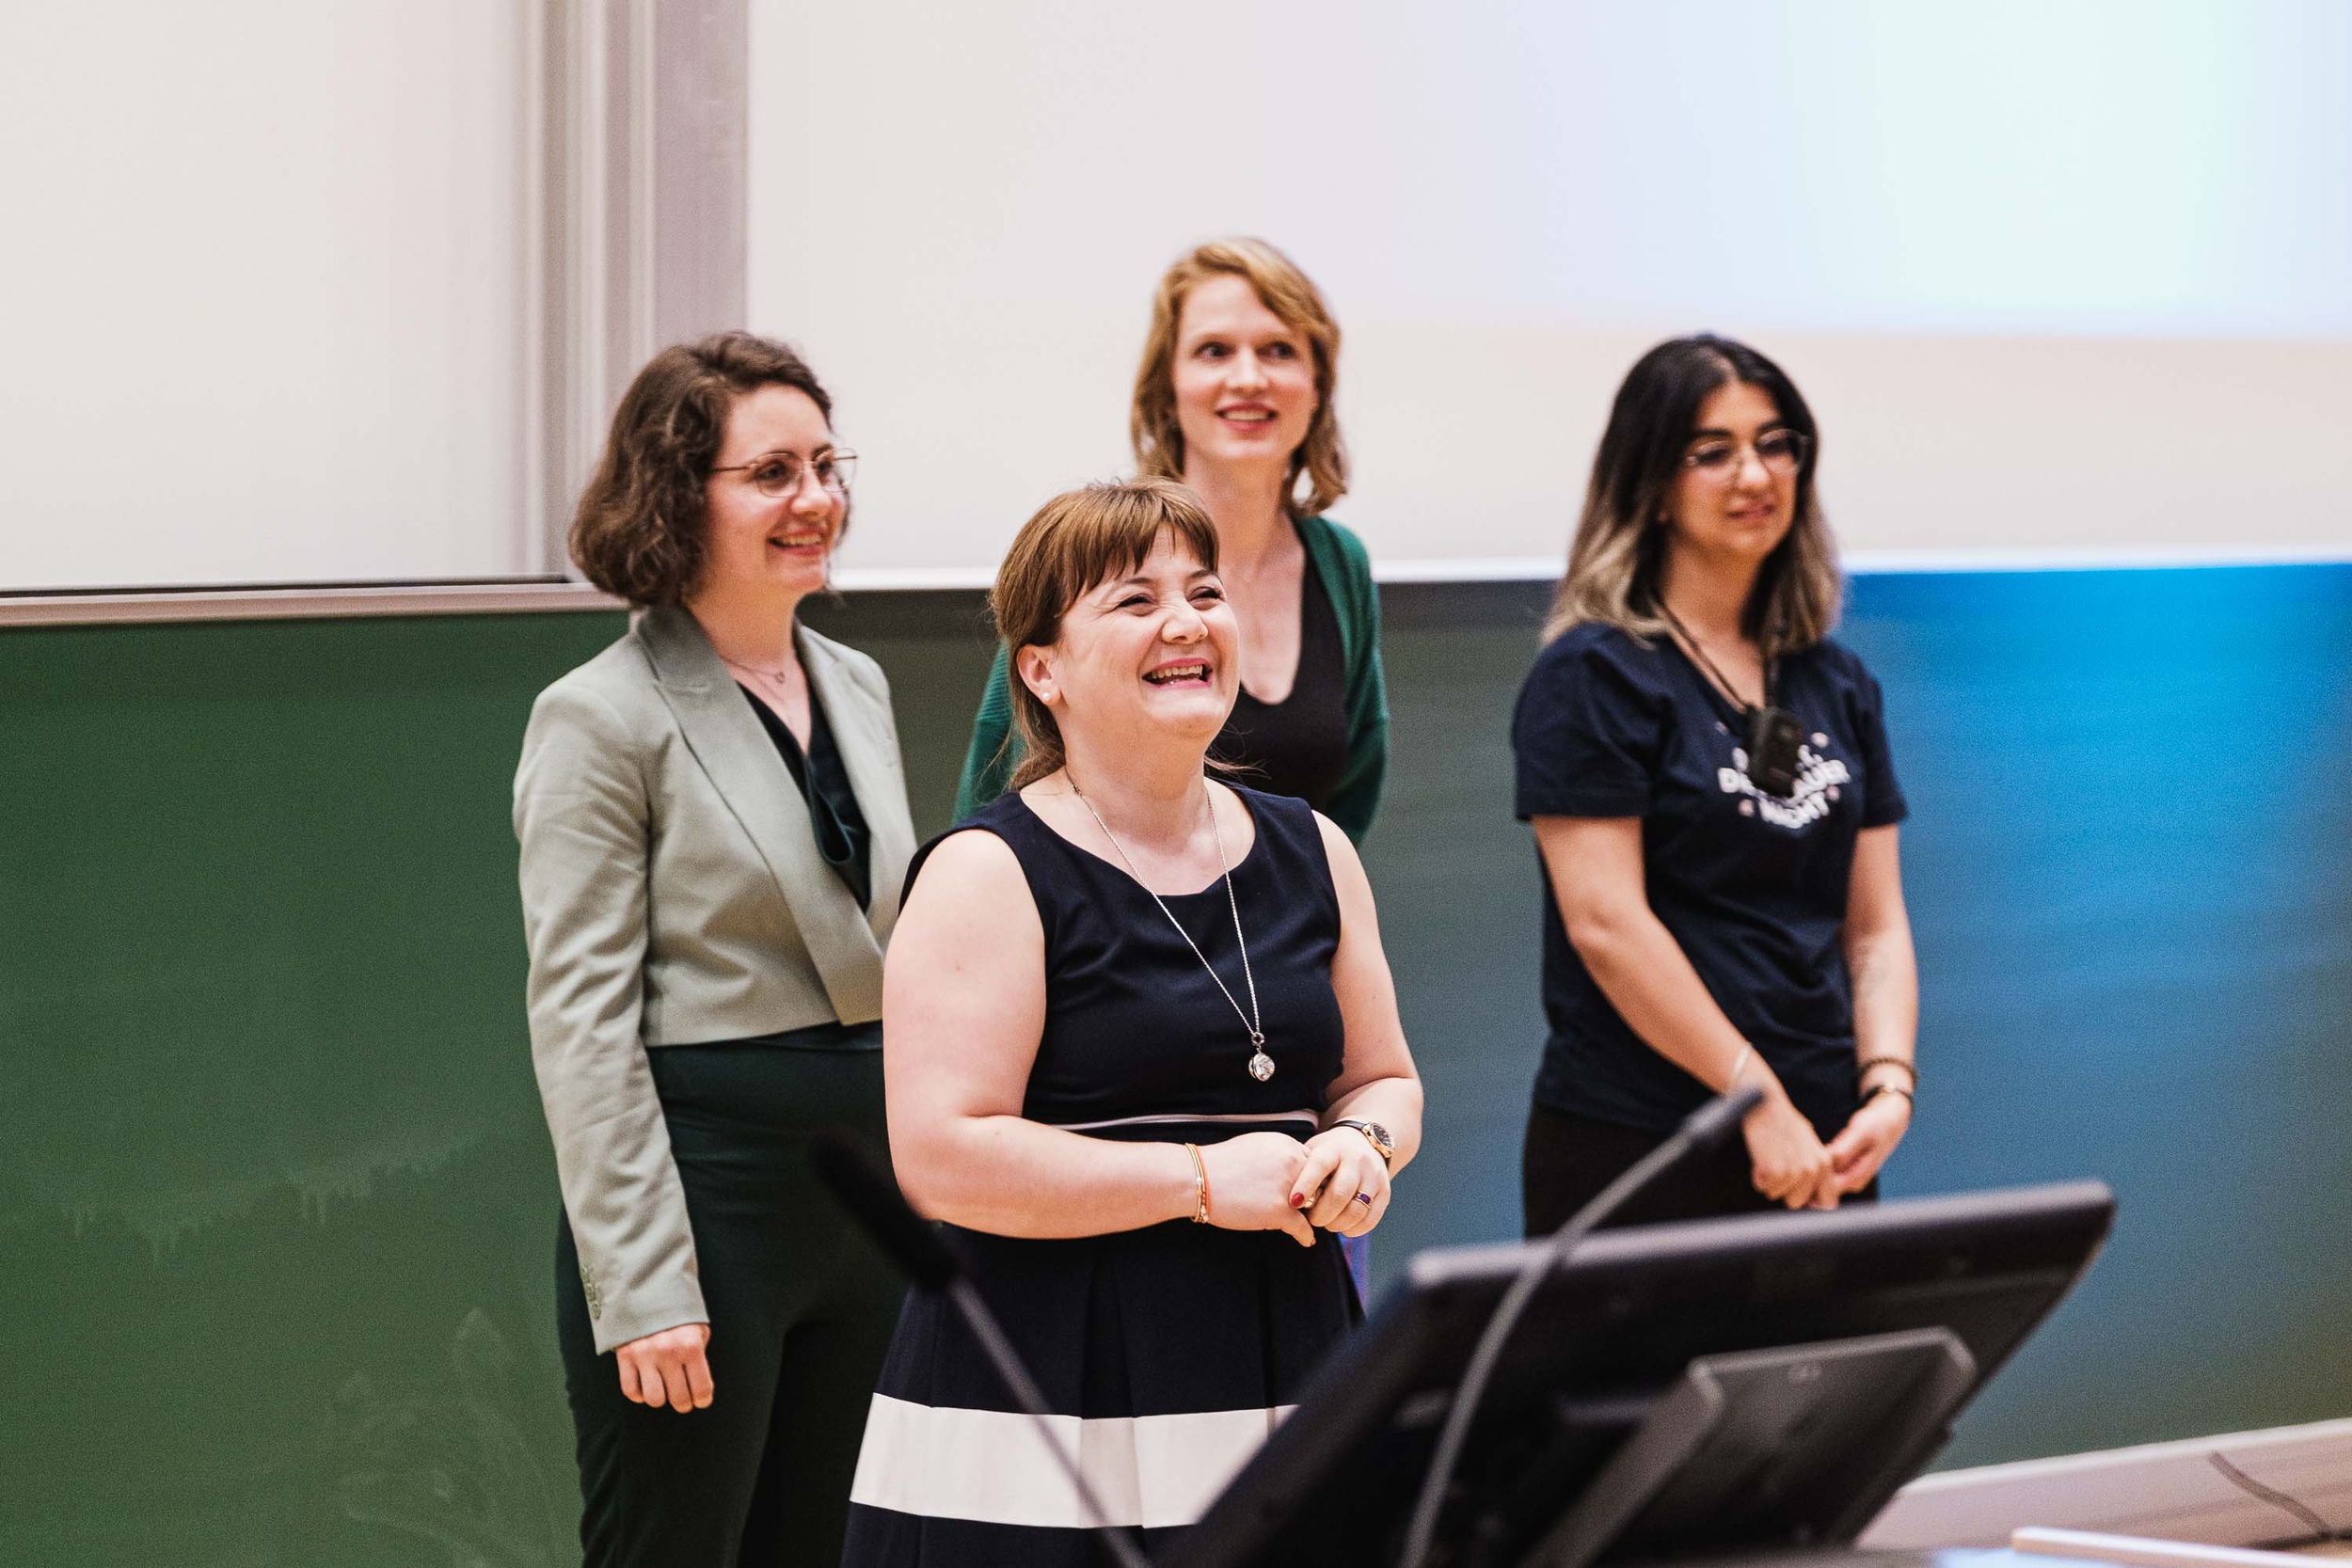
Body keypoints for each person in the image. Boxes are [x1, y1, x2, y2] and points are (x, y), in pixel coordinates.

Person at [844, 479, 1423, 1565]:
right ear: (1041, 668)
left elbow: (1383, 1080)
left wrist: (1361, 1143)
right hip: (1048, 1388)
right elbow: (942, 1157)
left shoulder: (1317, 850)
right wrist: (1202, 1183)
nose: (1186, 620)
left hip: (1281, 1358)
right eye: (1133, 599)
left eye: (1204, 591)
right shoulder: (987, 869)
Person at [514, 331, 914, 1566]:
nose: (817, 499)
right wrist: (640, 1285)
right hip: (705, 1203)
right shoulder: (597, 715)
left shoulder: (855, 680)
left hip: (870, 1200)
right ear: (680, 497)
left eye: (827, 464)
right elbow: (581, 1023)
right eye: (773, 473)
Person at [1511, 334, 1919, 1235]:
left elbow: (1877, 924)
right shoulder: (1594, 675)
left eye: (1776, 445)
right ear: (1651, 485)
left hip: (1823, 1136)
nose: (1755, 474)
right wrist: (1754, 1100)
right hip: (1650, 1136)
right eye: (1713, 451)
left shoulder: (1835, 680)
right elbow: (1606, 924)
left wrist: (1888, 1085)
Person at [955, 237, 1389, 844]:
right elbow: (995, 792)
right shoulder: (1087, 552)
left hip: (1286, 927)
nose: (1248, 377)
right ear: (1167, 388)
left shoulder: (1339, 563)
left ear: (1317, 387)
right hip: (1103, 929)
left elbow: (1351, 791)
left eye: (1279, 351)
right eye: (1214, 351)